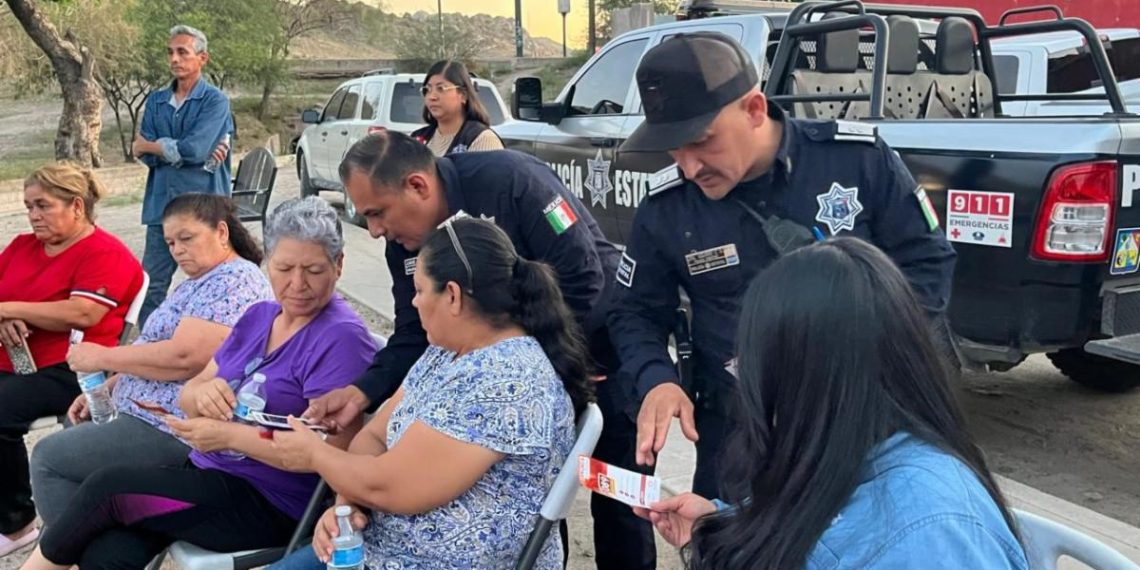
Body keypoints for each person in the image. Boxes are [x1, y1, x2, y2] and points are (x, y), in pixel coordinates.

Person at [609, 32, 957, 505]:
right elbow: (634, 312)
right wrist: (657, 380)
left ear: (754, 110)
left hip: (860, 426)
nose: (690, 168)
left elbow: (927, 266)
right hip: (737, 434)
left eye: (702, 142)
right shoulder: (668, 209)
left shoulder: (858, 163)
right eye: (673, 150)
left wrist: (868, 355)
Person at [20, 198, 378, 570]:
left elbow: (330, 454)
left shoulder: (341, 338)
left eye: (314, 270)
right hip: (209, 473)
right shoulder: (261, 316)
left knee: (109, 487)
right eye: (285, 268)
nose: (297, 284)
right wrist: (202, 394)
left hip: (268, 500)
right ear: (269, 262)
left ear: (338, 266)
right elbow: (193, 392)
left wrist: (228, 437)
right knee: (109, 550)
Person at [633, 238, 1027, 569]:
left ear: (805, 381)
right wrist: (719, 524)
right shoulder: (839, 455)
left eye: (752, 370)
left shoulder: (930, 535)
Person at [268, 218, 592, 569]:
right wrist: (347, 507)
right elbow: (373, 437)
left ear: (452, 295)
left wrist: (315, 455)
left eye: (420, 291)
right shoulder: (447, 351)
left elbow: (389, 487)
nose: (415, 302)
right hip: (380, 549)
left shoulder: (507, 381)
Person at [28, 194, 274, 531]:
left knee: (49, 460)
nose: (177, 250)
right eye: (170, 242)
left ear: (221, 232)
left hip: (172, 425)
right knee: (75, 434)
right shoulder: (201, 281)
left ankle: (69, 556)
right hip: (145, 410)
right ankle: (94, 550)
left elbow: (184, 358)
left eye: (186, 238)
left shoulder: (236, 279)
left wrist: (102, 356)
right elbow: (157, 347)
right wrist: (109, 386)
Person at [0, 163, 143, 558]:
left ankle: (17, 524)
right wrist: (5, 317)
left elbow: (84, 313)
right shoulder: (21, 247)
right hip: (16, 359)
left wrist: (8, 308)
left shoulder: (105, 252)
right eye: (28, 206)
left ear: (76, 206)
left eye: (43, 206)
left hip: (72, 367)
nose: (33, 215)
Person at [135, 24, 235, 327]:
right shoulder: (155, 101)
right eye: (171, 53)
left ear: (202, 58)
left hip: (201, 207)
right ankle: (150, 345)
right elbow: (146, 157)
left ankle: (209, 344)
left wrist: (154, 147)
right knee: (150, 285)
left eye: (183, 52)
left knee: (212, 278)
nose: (175, 59)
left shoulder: (215, 101)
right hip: (161, 207)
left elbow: (194, 148)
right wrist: (169, 152)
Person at [410, 60, 503, 156]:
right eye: (428, 90)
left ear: (463, 95)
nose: (432, 97)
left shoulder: (482, 139)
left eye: (441, 89)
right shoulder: (417, 139)